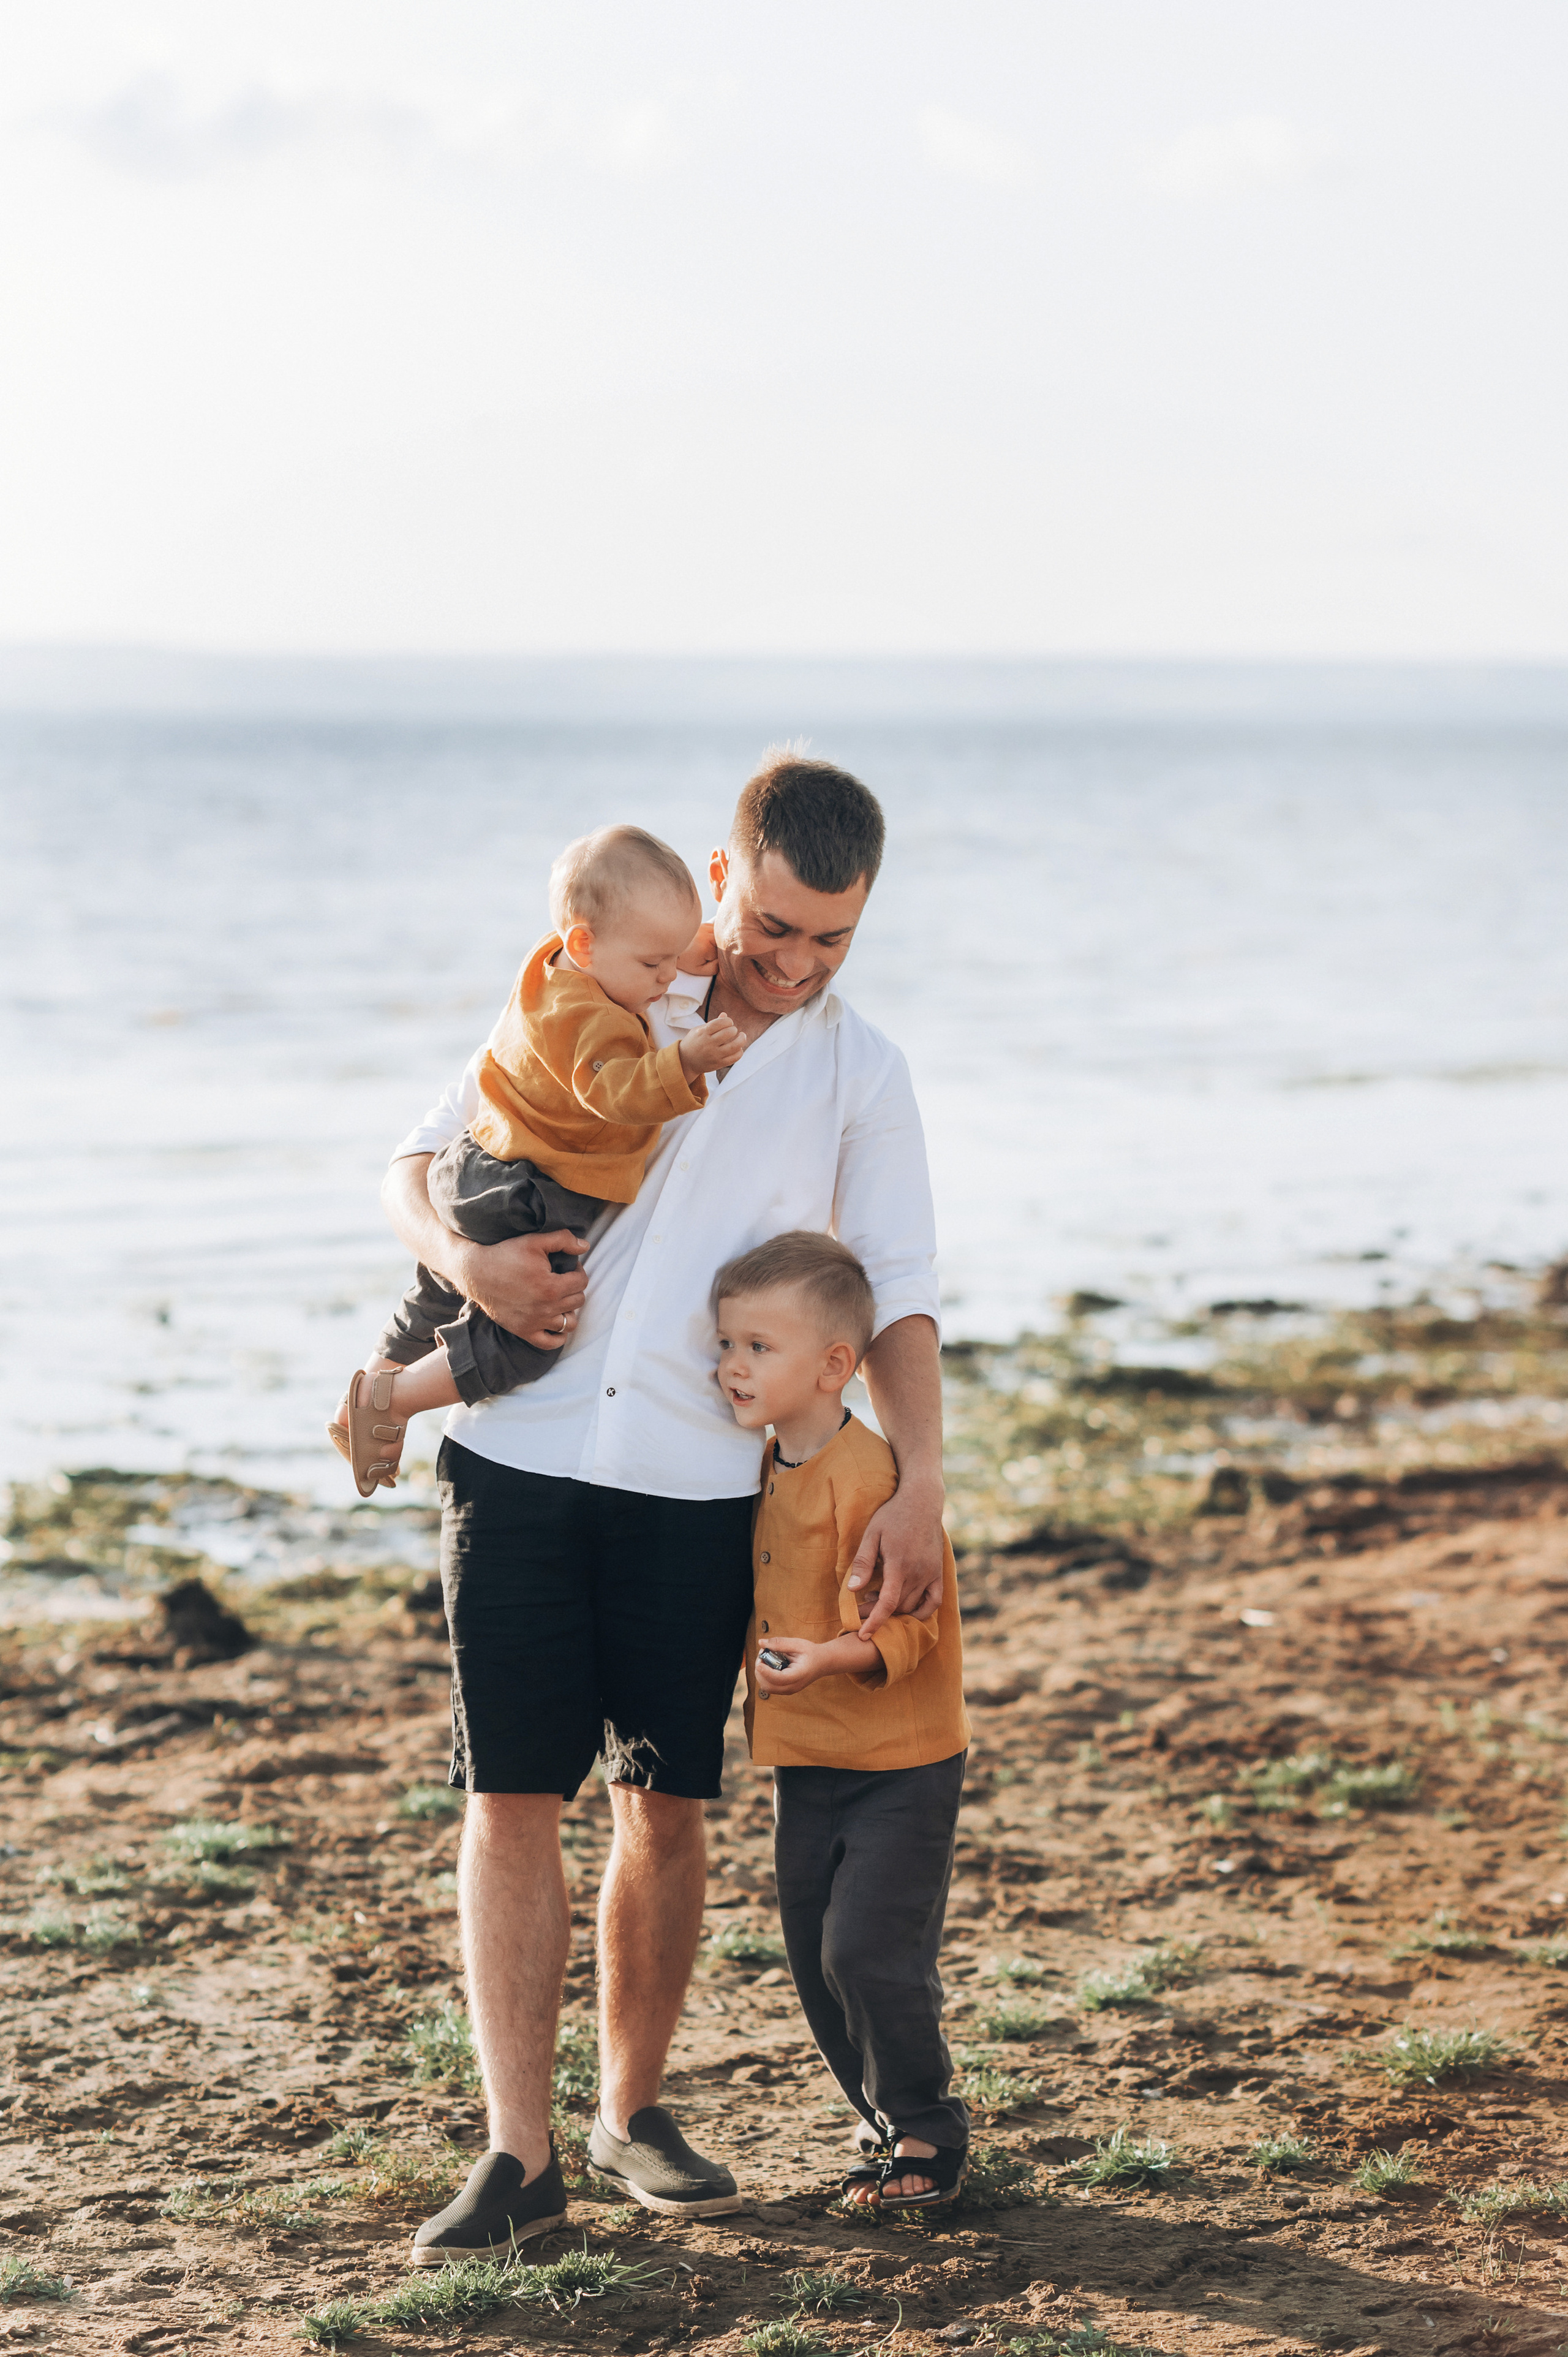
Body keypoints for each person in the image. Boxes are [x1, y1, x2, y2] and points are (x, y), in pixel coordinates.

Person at [386, 751, 946, 2264]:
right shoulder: (608, 982)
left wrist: (918, 1487)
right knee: (507, 1795)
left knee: (665, 1801)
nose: (791, 962)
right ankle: (518, 2155)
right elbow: (417, 1155)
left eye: (830, 937)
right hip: (521, 1450)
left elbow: (894, 1293)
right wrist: (464, 1262)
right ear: (722, 876)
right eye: (771, 925)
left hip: (702, 1486)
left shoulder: (858, 1072)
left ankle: (628, 2112)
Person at [328, 825, 742, 1496]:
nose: (670, 976)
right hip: (534, 1193)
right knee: (532, 1333)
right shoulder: (594, 1023)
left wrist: (696, 943)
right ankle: (395, 1398)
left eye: (676, 957)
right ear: (585, 942)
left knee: (438, 1285)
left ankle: (377, 1370)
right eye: (653, 965)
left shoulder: (549, 964)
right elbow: (610, 1091)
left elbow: (655, 942)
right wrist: (684, 1062)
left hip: (473, 1163)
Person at [714, 1230, 971, 2208]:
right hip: (805, 1761)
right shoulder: (760, 1467)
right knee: (816, 1961)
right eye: (726, 1343)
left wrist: (832, 1655)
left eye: (757, 1347)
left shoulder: (871, 1478)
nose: (732, 1365)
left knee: (867, 1947)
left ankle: (929, 2129)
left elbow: (919, 1625)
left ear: (833, 1365)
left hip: (902, 1760)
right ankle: (884, 2121)